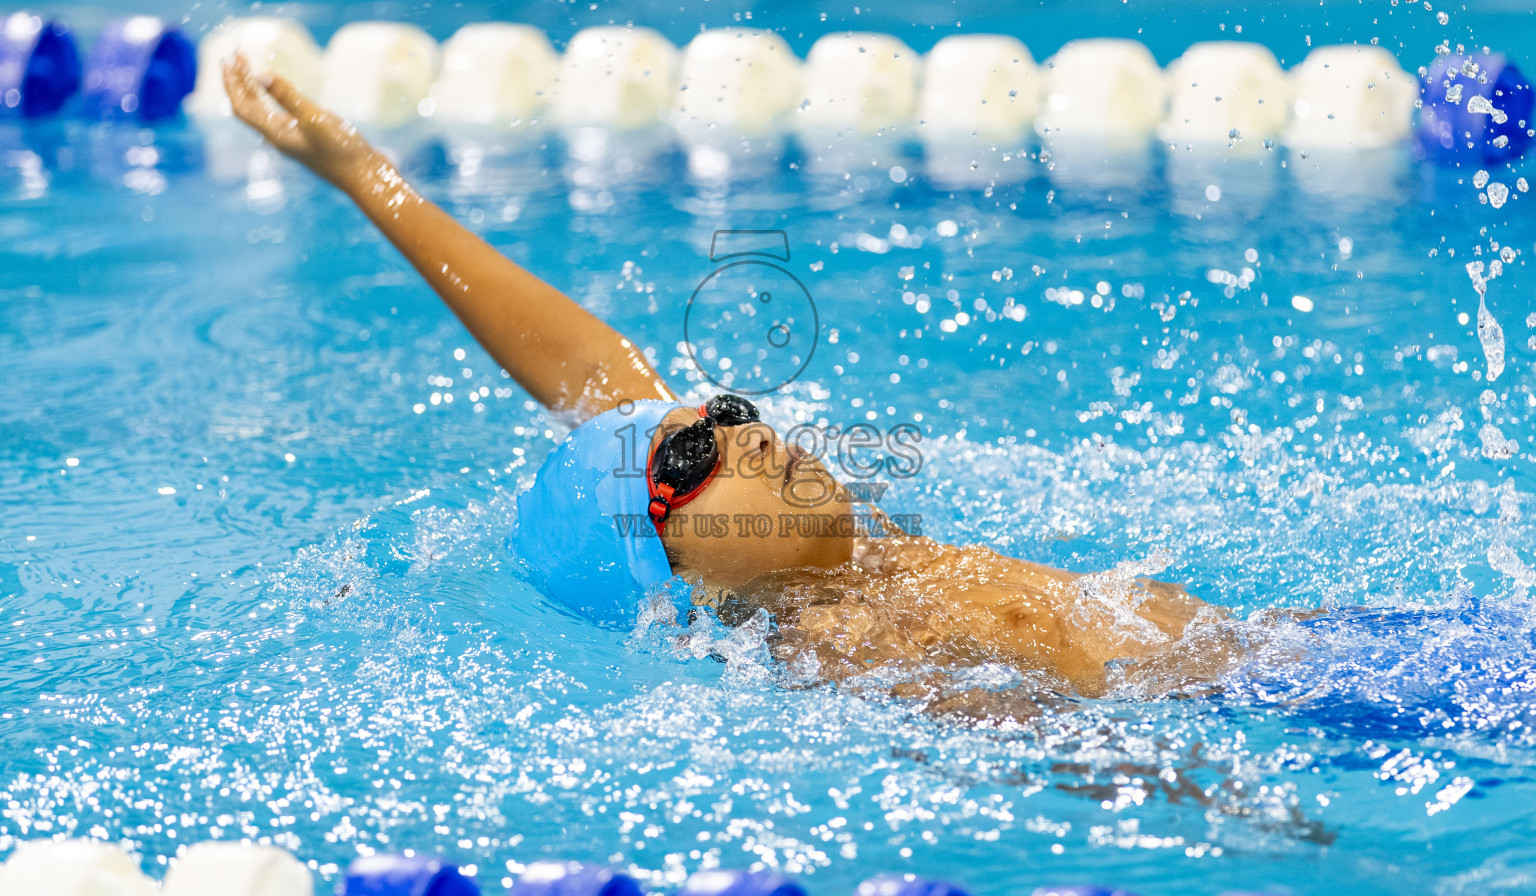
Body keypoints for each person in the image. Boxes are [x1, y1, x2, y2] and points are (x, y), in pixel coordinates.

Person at [222, 56, 1235, 702]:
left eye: (727, 414)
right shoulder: (838, 649)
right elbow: (1086, 760)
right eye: (694, 451)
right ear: (679, 585)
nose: (743, 430)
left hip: (1298, 659)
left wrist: (364, 173)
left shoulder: (864, 569)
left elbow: (585, 368)